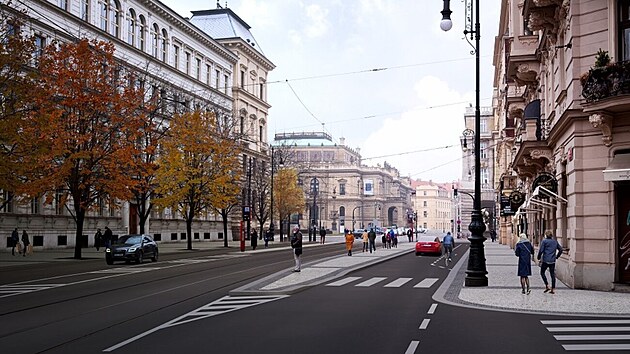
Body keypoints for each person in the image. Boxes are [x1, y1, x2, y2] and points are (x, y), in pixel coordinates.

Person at [537, 230, 563, 294]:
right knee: (552, 274)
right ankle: (553, 288)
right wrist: (557, 256)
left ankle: (547, 285)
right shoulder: (555, 241)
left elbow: (541, 250)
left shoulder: (544, 241)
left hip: (545, 260)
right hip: (552, 260)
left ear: (546, 235)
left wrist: (538, 257)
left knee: (542, 272)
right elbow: (561, 249)